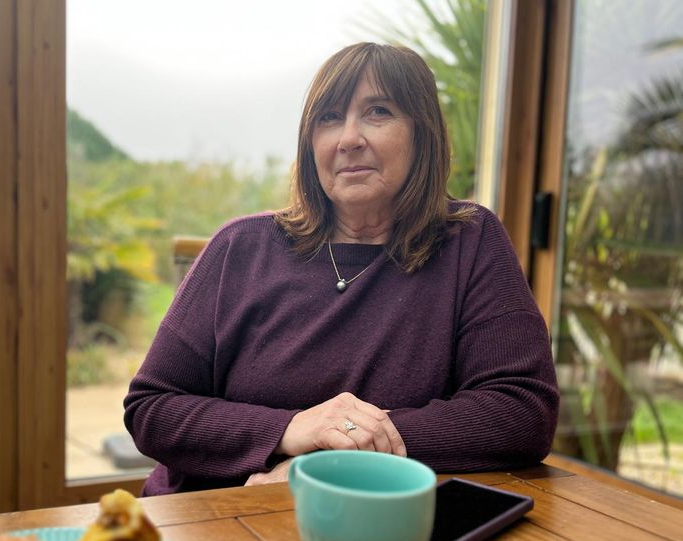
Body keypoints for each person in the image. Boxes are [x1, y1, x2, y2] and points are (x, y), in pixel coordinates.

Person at [123, 42, 559, 496]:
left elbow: (522, 410)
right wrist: (292, 428)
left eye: (378, 111)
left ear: (422, 133)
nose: (348, 138)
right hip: (212, 519)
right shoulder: (240, 248)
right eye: (329, 118)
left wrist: (334, 459)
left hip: (374, 522)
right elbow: (152, 408)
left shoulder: (469, 242)